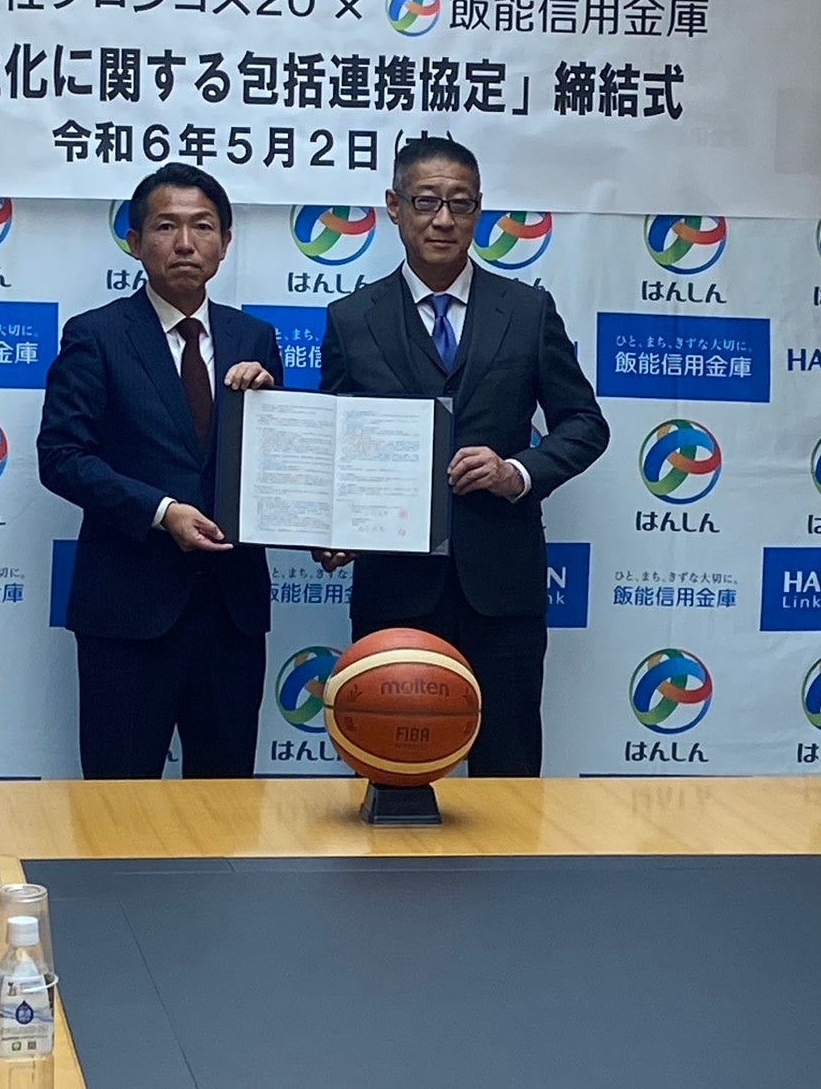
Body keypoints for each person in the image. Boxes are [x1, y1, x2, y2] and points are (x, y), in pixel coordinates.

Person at [316, 137, 608, 776]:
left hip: (501, 585)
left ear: (480, 211)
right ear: (395, 207)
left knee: (509, 770)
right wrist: (332, 528)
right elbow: (334, 446)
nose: (443, 220)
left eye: (461, 204)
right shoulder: (351, 318)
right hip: (395, 586)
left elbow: (585, 424)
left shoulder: (527, 311)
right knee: (391, 766)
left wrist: (517, 472)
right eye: (426, 202)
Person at [37, 163, 282, 780]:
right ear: (134, 241)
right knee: (116, 804)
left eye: (203, 227)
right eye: (166, 226)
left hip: (231, 613)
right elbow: (61, 457)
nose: (185, 243)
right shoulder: (95, 335)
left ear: (225, 243)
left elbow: (275, 466)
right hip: (128, 611)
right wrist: (161, 511)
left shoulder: (255, 339)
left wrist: (271, 407)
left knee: (224, 805)